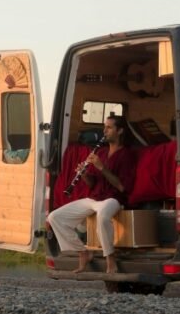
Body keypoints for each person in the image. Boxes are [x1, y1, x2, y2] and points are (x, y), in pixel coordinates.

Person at [47, 114, 135, 275]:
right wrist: (84, 175)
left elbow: (121, 187)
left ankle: (110, 259)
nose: (104, 131)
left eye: (109, 127)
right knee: (55, 217)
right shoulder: (101, 152)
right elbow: (92, 183)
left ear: (120, 131)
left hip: (113, 198)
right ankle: (83, 252)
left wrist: (102, 168)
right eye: (104, 127)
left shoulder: (127, 154)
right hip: (94, 198)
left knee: (103, 216)